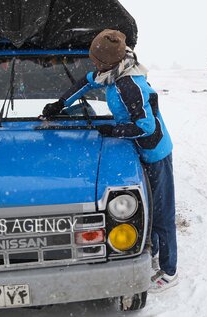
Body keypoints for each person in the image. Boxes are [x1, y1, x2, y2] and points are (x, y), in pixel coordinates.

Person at [42, 29, 178, 292]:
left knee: (162, 212)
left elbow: (146, 127)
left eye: (95, 60)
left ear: (107, 61)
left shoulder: (129, 84)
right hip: (137, 149)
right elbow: (85, 82)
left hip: (155, 151)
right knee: (147, 206)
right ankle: (153, 251)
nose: (93, 64)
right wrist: (59, 104)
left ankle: (170, 270)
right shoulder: (110, 73)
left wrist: (113, 130)